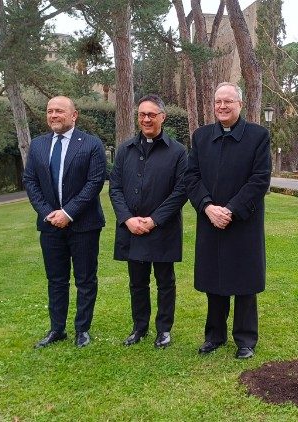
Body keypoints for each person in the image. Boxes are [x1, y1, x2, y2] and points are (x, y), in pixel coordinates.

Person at [184, 82, 271, 359]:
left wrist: (231, 210)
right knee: (215, 279)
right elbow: (191, 177)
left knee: (244, 281)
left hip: (243, 221)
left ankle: (245, 340)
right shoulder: (201, 137)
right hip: (210, 219)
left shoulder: (258, 136)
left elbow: (259, 180)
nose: (222, 106)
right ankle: (214, 335)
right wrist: (208, 207)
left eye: (228, 102)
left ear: (240, 105)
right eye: (218, 101)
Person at [23, 96, 107, 349]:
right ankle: (57, 329)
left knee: (85, 279)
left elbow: (95, 182)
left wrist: (68, 213)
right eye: (50, 111)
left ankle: (82, 329)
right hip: (50, 225)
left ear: (74, 115)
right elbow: (30, 181)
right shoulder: (37, 145)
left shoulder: (91, 144)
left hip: (84, 224)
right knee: (56, 279)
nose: (53, 115)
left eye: (59, 111)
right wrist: (49, 212)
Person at [109, 94, 188, 348]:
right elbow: (116, 188)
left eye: (151, 115)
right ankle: (139, 327)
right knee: (137, 282)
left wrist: (154, 220)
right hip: (132, 228)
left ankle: (164, 330)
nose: (146, 119)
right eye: (142, 114)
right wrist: (127, 219)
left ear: (162, 117)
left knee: (165, 282)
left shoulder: (177, 152)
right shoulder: (125, 150)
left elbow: (181, 191)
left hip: (162, 228)